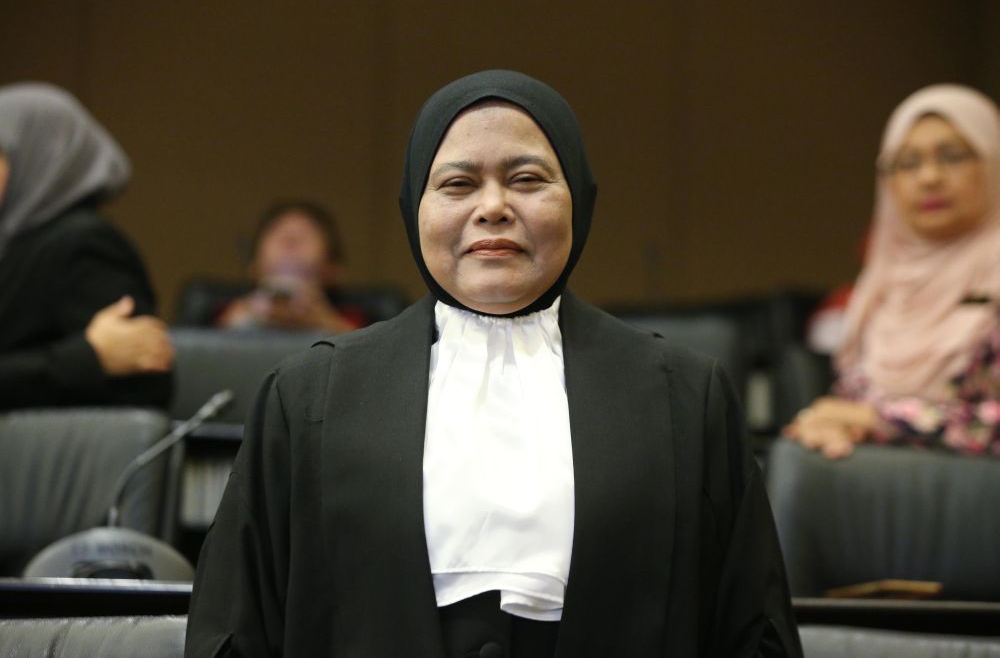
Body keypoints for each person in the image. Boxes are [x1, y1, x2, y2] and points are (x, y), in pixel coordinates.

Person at [185, 70, 801, 657]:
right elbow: (236, 627)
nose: (493, 207)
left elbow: (750, 630)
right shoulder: (308, 398)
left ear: (579, 200)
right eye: (457, 184)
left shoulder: (685, 398)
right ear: (415, 207)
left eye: (528, 179)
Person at [785, 84, 1000, 459]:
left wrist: (879, 421)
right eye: (908, 162)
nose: (929, 177)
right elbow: (849, 405)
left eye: (952, 156)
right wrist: (834, 425)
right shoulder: (881, 286)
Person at [0, 83, 173, 410]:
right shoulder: (13, 245)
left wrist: (86, 361)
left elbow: (146, 377)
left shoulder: (84, 244)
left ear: (40, 157)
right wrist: (89, 357)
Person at [215, 201, 365, 333]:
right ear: (254, 267)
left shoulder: (355, 320)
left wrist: (327, 323)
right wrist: (237, 322)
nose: (290, 240)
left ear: (333, 270)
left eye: (307, 233)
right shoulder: (222, 314)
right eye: (277, 231)